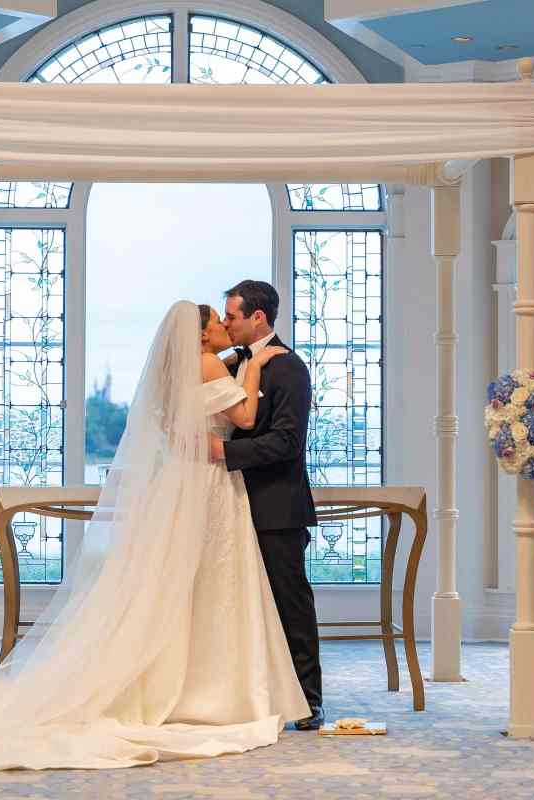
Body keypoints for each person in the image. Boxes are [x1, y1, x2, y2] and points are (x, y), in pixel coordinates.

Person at [0, 300, 310, 773]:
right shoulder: (215, 364)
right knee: (210, 584)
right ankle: (212, 689)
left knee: (182, 587)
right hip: (210, 487)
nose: (225, 327)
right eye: (218, 322)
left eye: (229, 317)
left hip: (191, 485)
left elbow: (181, 430)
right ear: (199, 336)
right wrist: (256, 370)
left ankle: (192, 685)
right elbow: (243, 417)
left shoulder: (175, 374)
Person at [208, 280, 324, 731]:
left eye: (231, 316)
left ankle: (309, 701)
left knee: (290, 603)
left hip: (277, 506)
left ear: (258, 317)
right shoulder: (233, 363)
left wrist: (224, 453)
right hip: (229, 508)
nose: (225, 324)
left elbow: (288, 441)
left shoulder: (289, 367)